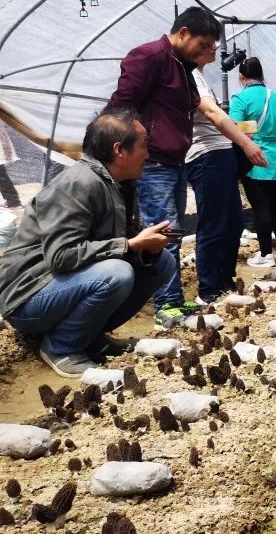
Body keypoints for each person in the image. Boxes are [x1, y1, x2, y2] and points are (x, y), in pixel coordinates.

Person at [107, 7, 266, 328]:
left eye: (212, 46)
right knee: (164, 234)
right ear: (183, 34)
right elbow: (121, 106)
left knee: (174, 232)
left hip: (174, 161)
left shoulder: (182, 68)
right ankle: (167, 304)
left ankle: (175, 300)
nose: (209, 52)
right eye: (205, 44)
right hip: (153, 163)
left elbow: (199, 108)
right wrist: (131, 147)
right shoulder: (149, 56)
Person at [0, 109, 174, 377]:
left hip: (61, 286)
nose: (147, 155)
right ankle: (61, 348)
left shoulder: (119, 185)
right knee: (117, 273)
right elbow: (61, 257)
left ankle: (89, 338)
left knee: (162, 263)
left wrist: (147, 248)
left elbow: (118, 244)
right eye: (143, 146)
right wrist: (130, 245)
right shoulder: (79, 184)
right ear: (119, 150)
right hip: (27, 296)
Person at [186, 47, 244, 304]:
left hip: (220, 152)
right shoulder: (189, 75)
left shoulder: (199, 76)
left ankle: (224, 280)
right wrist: (246, 143)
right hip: (206, 154)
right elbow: (210, 113)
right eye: (207, 42)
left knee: (233, 222)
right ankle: (208, 289)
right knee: (214, 223)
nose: (213, 48)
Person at [230, 57, 276, 266]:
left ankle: (266, 253)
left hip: (255, 161)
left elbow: (234, 127)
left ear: (241, 76)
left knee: (261, 208)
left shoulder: (240, 98)